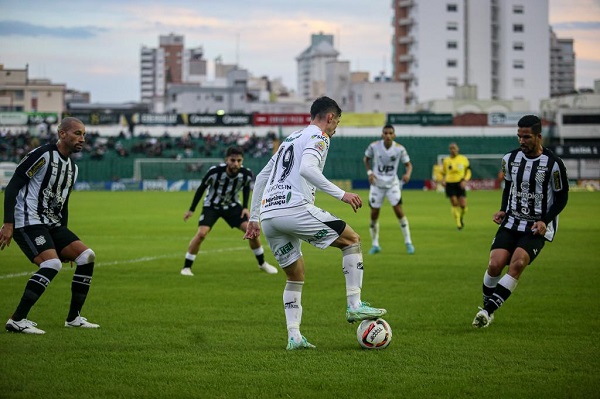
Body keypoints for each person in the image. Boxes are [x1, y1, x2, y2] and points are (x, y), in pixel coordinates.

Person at [244, 96, 387, 350]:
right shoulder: (319, 137)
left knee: (295, 275)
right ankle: (355, 305)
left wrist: (254, 218)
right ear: (329, 117)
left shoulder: (290, 139)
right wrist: (342, 194)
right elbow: (308, 170)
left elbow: (261, 177)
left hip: (269, 217)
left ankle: (294, 336)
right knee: (352, 240)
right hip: (294, 208)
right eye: (337, 122)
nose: (335, 129)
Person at [0, 117, 99, 334]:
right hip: (28, 221)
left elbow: (63, 204)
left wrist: (64, 238)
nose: (82, 139)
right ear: (62, 134)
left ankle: (73, 318)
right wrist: (8, 223)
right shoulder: (43, 155)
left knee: (87, 256)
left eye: (84, 135)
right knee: (52, 264)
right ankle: (17, 320)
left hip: (52, 224)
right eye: (77, 133)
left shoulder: (73, 168)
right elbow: (14, 185)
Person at [472, 115, 569, 328]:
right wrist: (502, 210)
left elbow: (562, 197)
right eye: (519, 137)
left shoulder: (553, 164)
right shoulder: (510, 159)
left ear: (538, 137)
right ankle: (488, 307)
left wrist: (545, 220)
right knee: (494, 264)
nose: (522, 141)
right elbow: (508, 187)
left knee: (517, 263)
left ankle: (487, 312)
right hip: (512, 222)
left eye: (526, 137)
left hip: (536, 227)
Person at [181, 146, 277, 276]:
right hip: (212, 206)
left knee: (252, 232)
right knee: (201, 234)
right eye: (232, 160)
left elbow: (246, 189)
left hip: (232, 206)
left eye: (239, 160)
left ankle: (262, 263)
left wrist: (244, 207)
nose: (236, 163)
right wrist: (191, 209)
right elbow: (201, 188)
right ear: (226, 160)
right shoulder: (214, 172)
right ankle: (186, 267)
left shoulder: (246, 174)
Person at [363, 124, 415, 255]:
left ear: (394, 135)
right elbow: (366, 159)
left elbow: (408, 165)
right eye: (385, 133)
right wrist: (369, 173)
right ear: (382, 135)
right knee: (374, 213)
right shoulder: (374, 146)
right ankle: (375, 244)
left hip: (392, 184)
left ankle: (408, 242)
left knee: (398, 211)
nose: (387, 135)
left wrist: (408, 174)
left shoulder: (399, 149)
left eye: (390, 133)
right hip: (377, 184)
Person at [441, 143, 471, 230]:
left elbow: (468, 171)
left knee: (463, 205)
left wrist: (465, 180)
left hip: (460, 183)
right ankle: (458, 223)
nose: (453, 150)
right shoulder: (446, 160)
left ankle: (461, 217)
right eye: (451, 148)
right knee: (454, 202)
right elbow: (444, 172)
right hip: (450, 183)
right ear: (449, 150)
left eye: (454, 148)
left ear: (458, 149)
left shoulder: (463, 159)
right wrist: (443, 180)